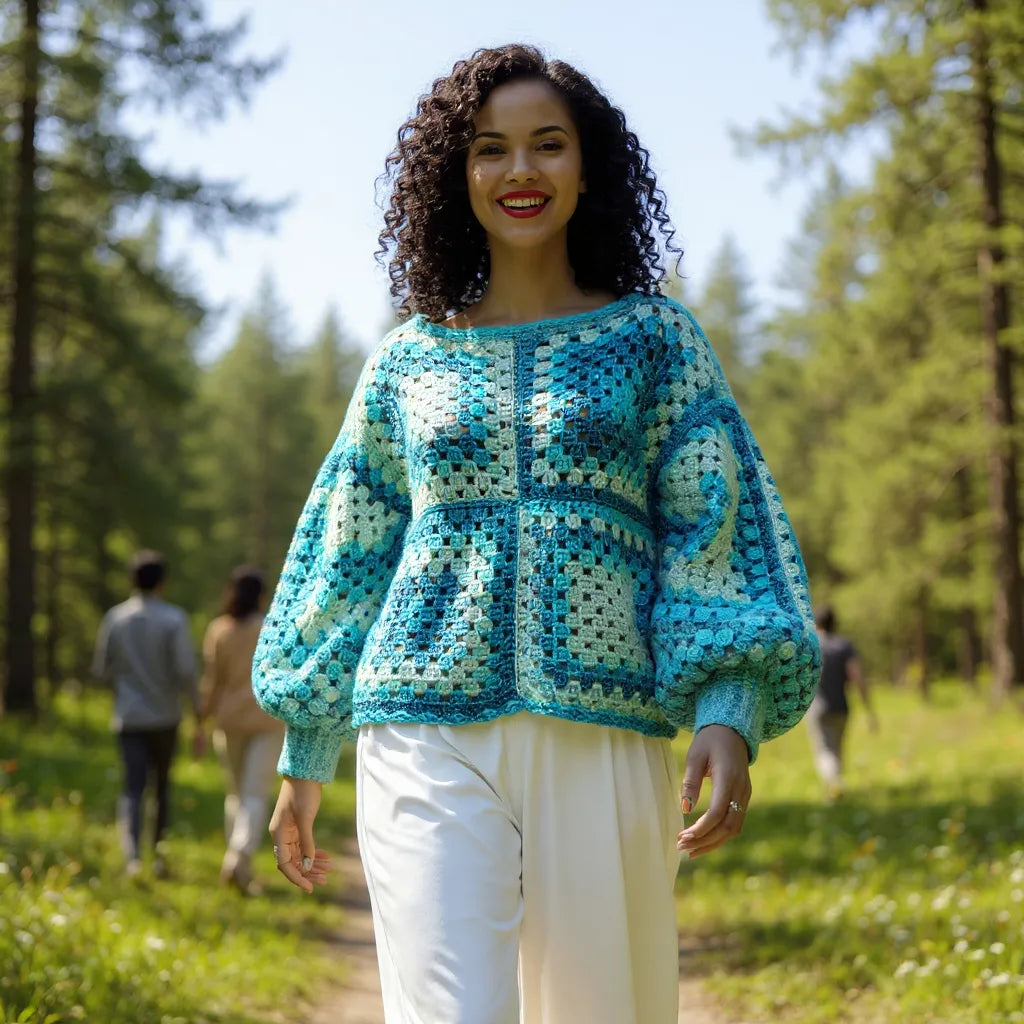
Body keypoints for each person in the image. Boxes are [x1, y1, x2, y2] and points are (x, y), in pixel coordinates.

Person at [253, 44, 821, 1023]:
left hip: (602, 728)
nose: (520, 170)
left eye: (547, 145)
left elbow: (714, 526)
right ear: (457, 174)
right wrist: (308, 744)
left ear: (587, 166)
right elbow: (350, 548)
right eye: (490, 149)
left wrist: (728, 704)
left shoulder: (654, 340)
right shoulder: (406, 361)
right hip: (419, 726)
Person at [92, 550, 199, 878]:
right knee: (161, 788)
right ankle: (159, 854)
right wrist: (197, 711)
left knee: (132, 787)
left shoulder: (115, 618)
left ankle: (133, 856)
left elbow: (101, 669)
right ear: (162, 582)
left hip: (128, 716)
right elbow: (185, 670)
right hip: (165, 716)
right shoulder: (174, 619)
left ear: (132, 581)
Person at [199, 566, 284, 895]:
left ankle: (239, 863)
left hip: (229, 722)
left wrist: (200, 721)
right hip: (267, 722)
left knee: (236, 795)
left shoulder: (219, 629)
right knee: (254, 794)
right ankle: (239, 858)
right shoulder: (271, 627)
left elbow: (212, 682)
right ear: (261, 595)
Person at [807, 604, 877, 801]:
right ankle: (835, 790)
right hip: (841, 707)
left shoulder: (812, 646)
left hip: (817, 709)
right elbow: (858, 678)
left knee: (824, 751)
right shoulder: (844, 646)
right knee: (837, 751)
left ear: (816, 622)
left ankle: (835, 786)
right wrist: (869, 710)